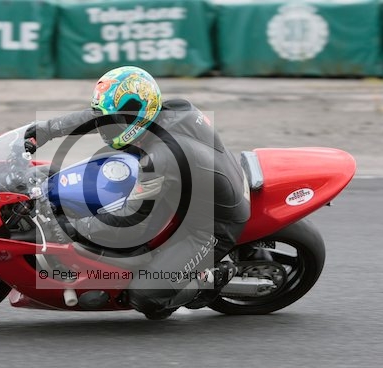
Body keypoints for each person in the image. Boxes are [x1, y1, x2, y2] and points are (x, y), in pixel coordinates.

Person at [24, 66, 250, 319]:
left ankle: (210, 278)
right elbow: (99, 115)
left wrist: (70, 228)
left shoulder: (161, 157)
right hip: (196, 190)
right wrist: (46, 129)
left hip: (210, 226)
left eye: (114, 121)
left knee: (146, 296)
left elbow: (132, 221)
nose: (105, 127)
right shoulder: (169, 109)